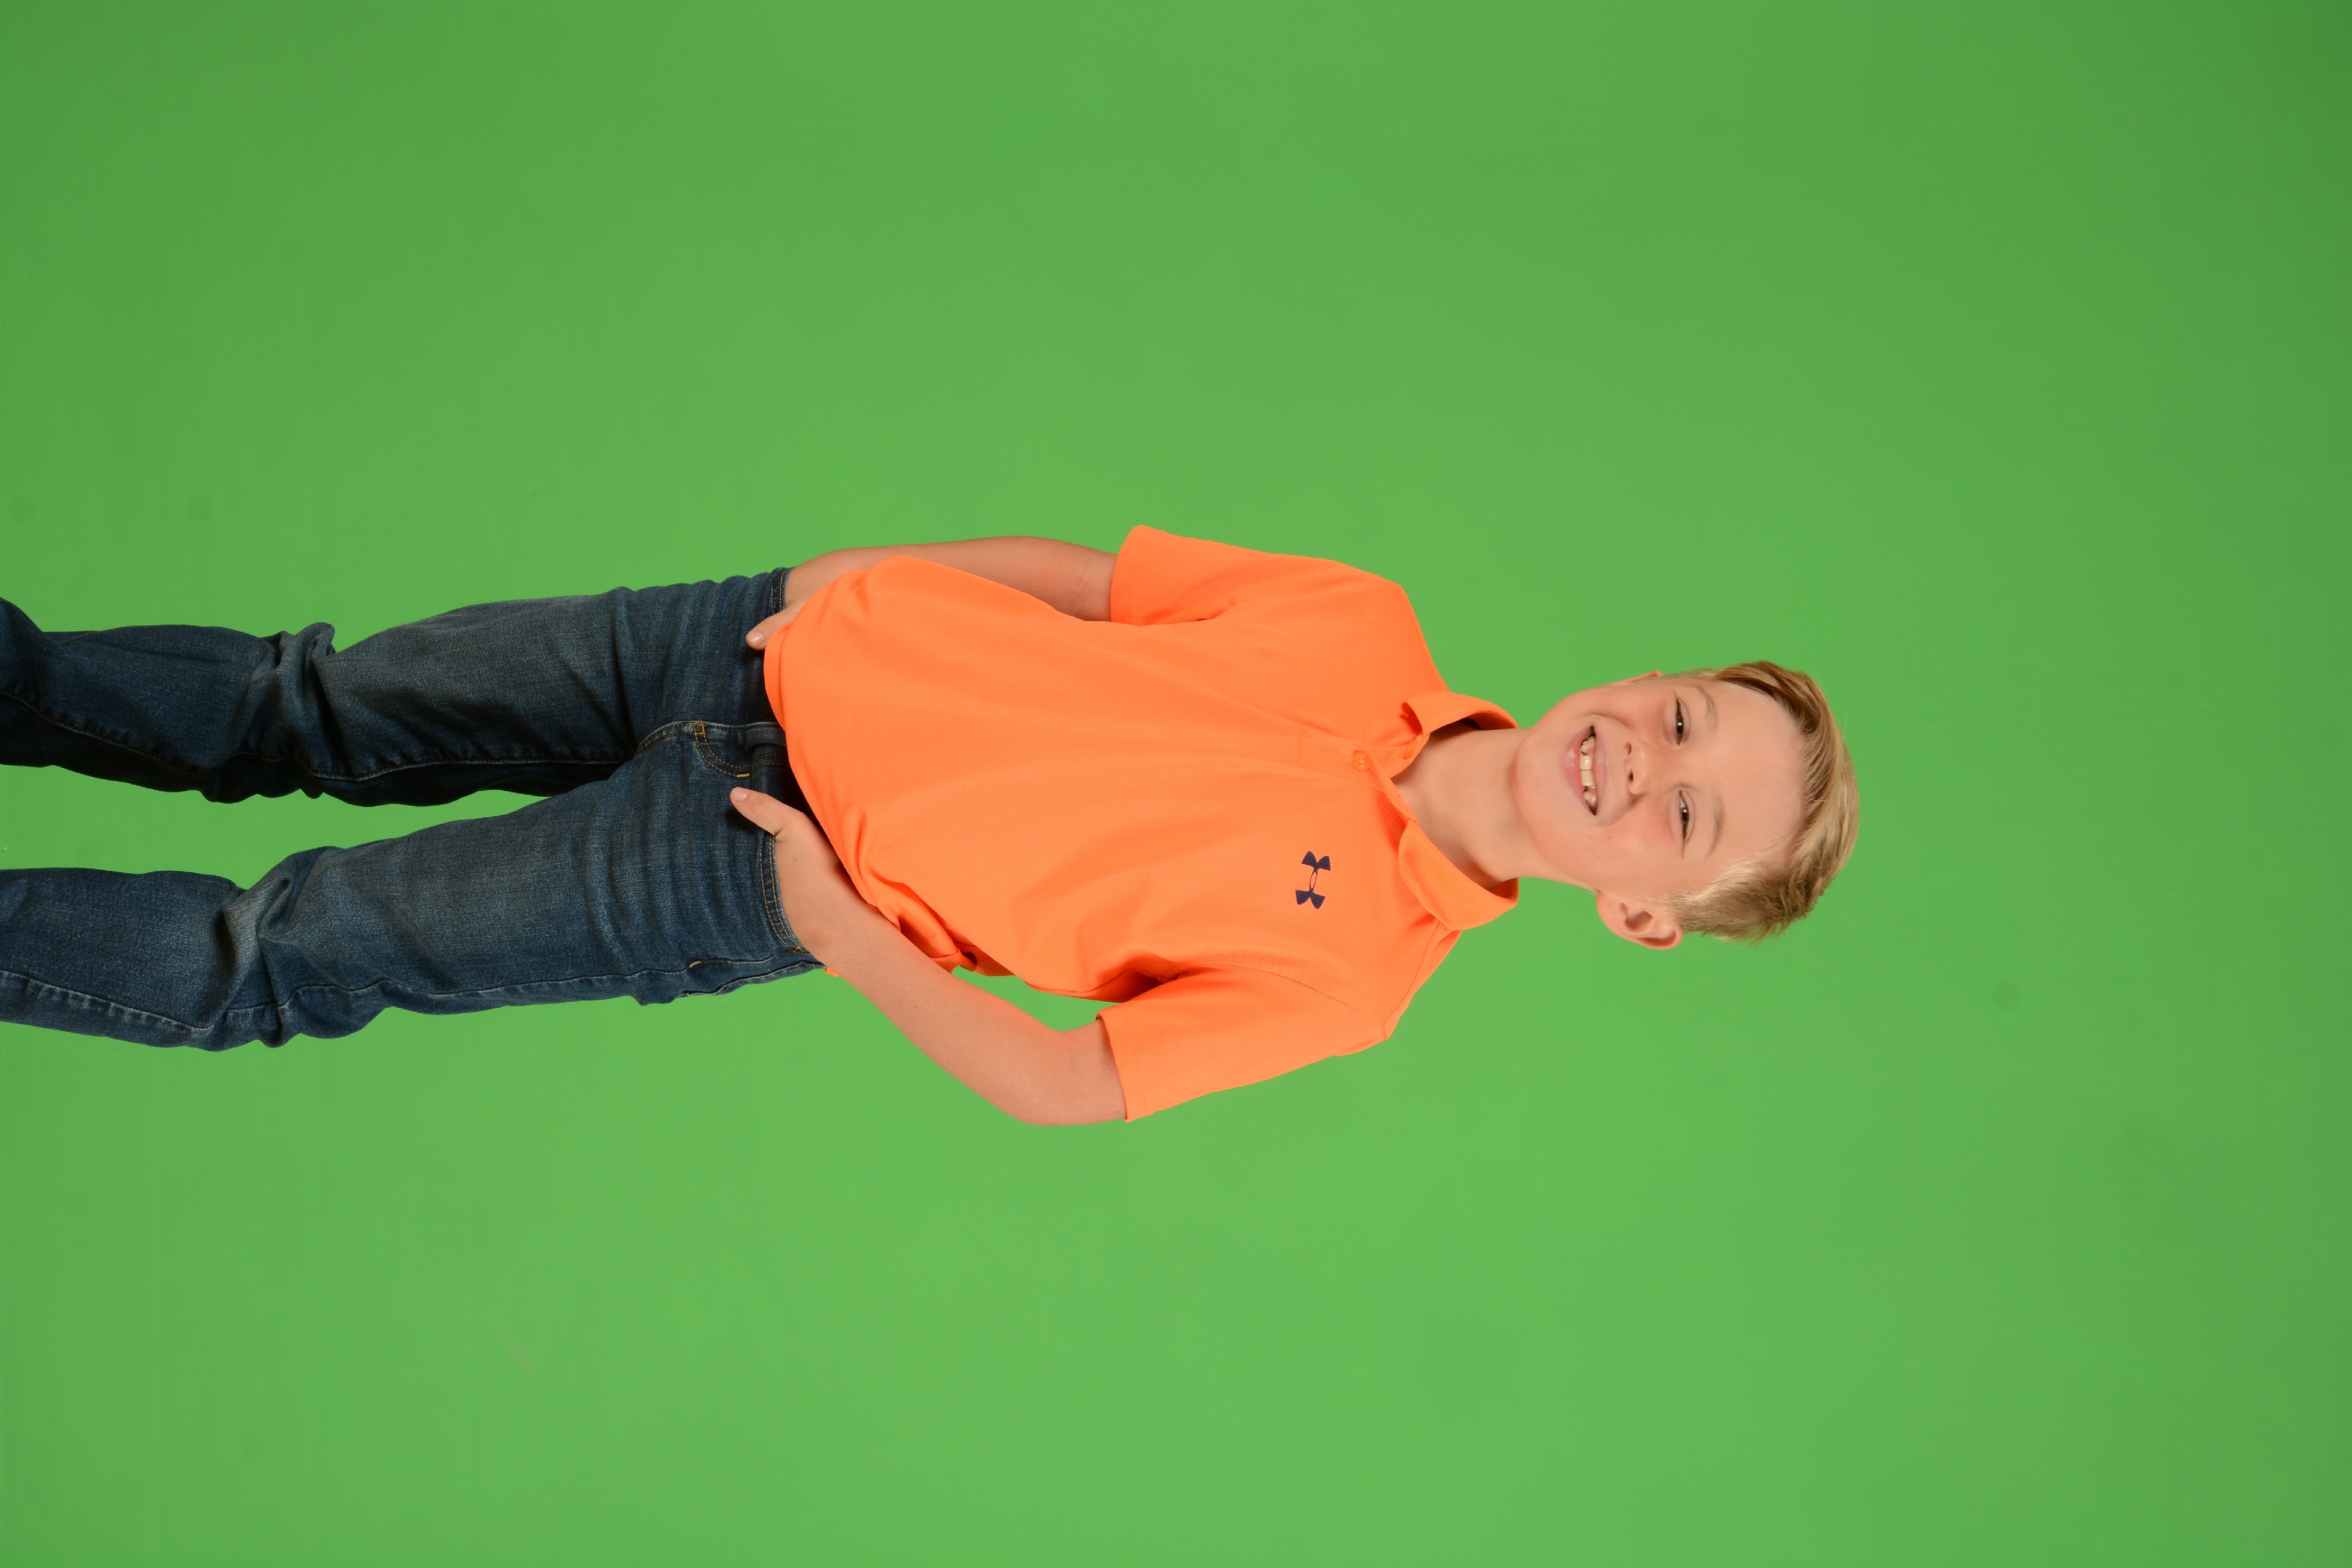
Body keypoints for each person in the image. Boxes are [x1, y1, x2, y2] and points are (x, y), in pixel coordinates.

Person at [0, 529, 1857, 1123]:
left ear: (1643, 912)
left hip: (745, 860)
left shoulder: (1350, 978)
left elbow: (1067, 1083)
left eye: (1686, 817)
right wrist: (846, 575)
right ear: (1649, 676)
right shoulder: (1359, 619)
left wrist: (834, 927)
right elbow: (1094, 578)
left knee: (280, 952)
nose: (1642, 761)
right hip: (722, 642)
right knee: (303, 700)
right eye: (1681, 717)